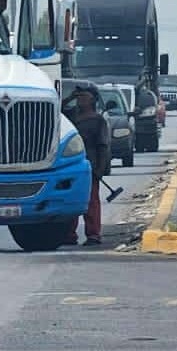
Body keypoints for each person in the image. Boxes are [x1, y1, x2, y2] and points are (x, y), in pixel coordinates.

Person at [62, 83, 110, 246]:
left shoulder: (98, 121)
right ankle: (69, 234)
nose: (80, 100)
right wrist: (69, 98)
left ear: (93, 100)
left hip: (90, 166)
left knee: (91, 202)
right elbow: (56, 110)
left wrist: (100, 169)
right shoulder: (71, 117)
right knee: (70, 201)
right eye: (79, 97)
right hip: (70, 164)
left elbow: (103, 146)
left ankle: (93, 234)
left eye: (84, 97)